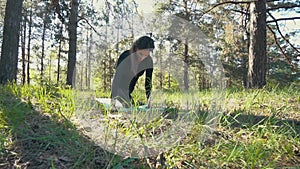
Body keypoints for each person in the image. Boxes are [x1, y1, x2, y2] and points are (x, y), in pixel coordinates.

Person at [111, 36, 155, 109]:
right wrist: (112, 101)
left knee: (135, 106)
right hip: (118, 91)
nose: (142, 58)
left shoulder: (148, 61)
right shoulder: (126, 57)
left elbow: (148, 83)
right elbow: (116, 79)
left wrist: (149, 100)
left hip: (128, 93)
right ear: (136, 49)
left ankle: (132, 102)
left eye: (146, 55)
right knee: (127, 106)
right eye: (140, 54)